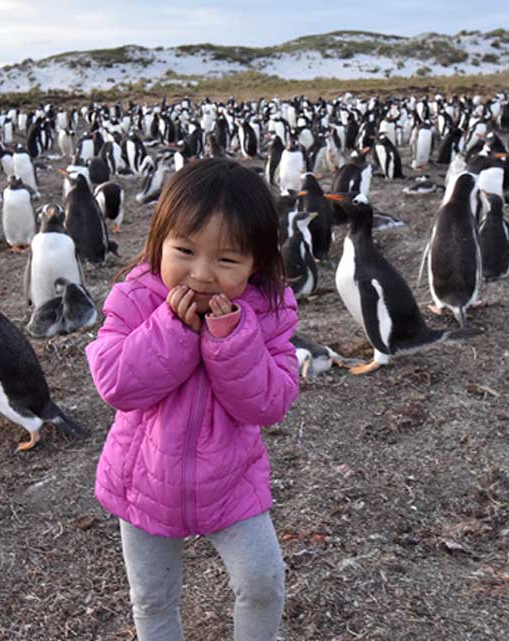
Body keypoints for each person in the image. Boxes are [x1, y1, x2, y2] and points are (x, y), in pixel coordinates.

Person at [86, 157, 299, 641]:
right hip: (144, 484)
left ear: (256, 264)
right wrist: (173, 329)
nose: (201, 274)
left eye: (226, 260)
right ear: (159, 240)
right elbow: (116, 384)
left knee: (262, 583)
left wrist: (232, 341)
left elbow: (270, 403)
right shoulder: (137, 298)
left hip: (232, 482)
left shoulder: (267, 312)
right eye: (184, 250)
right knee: (153, 601)